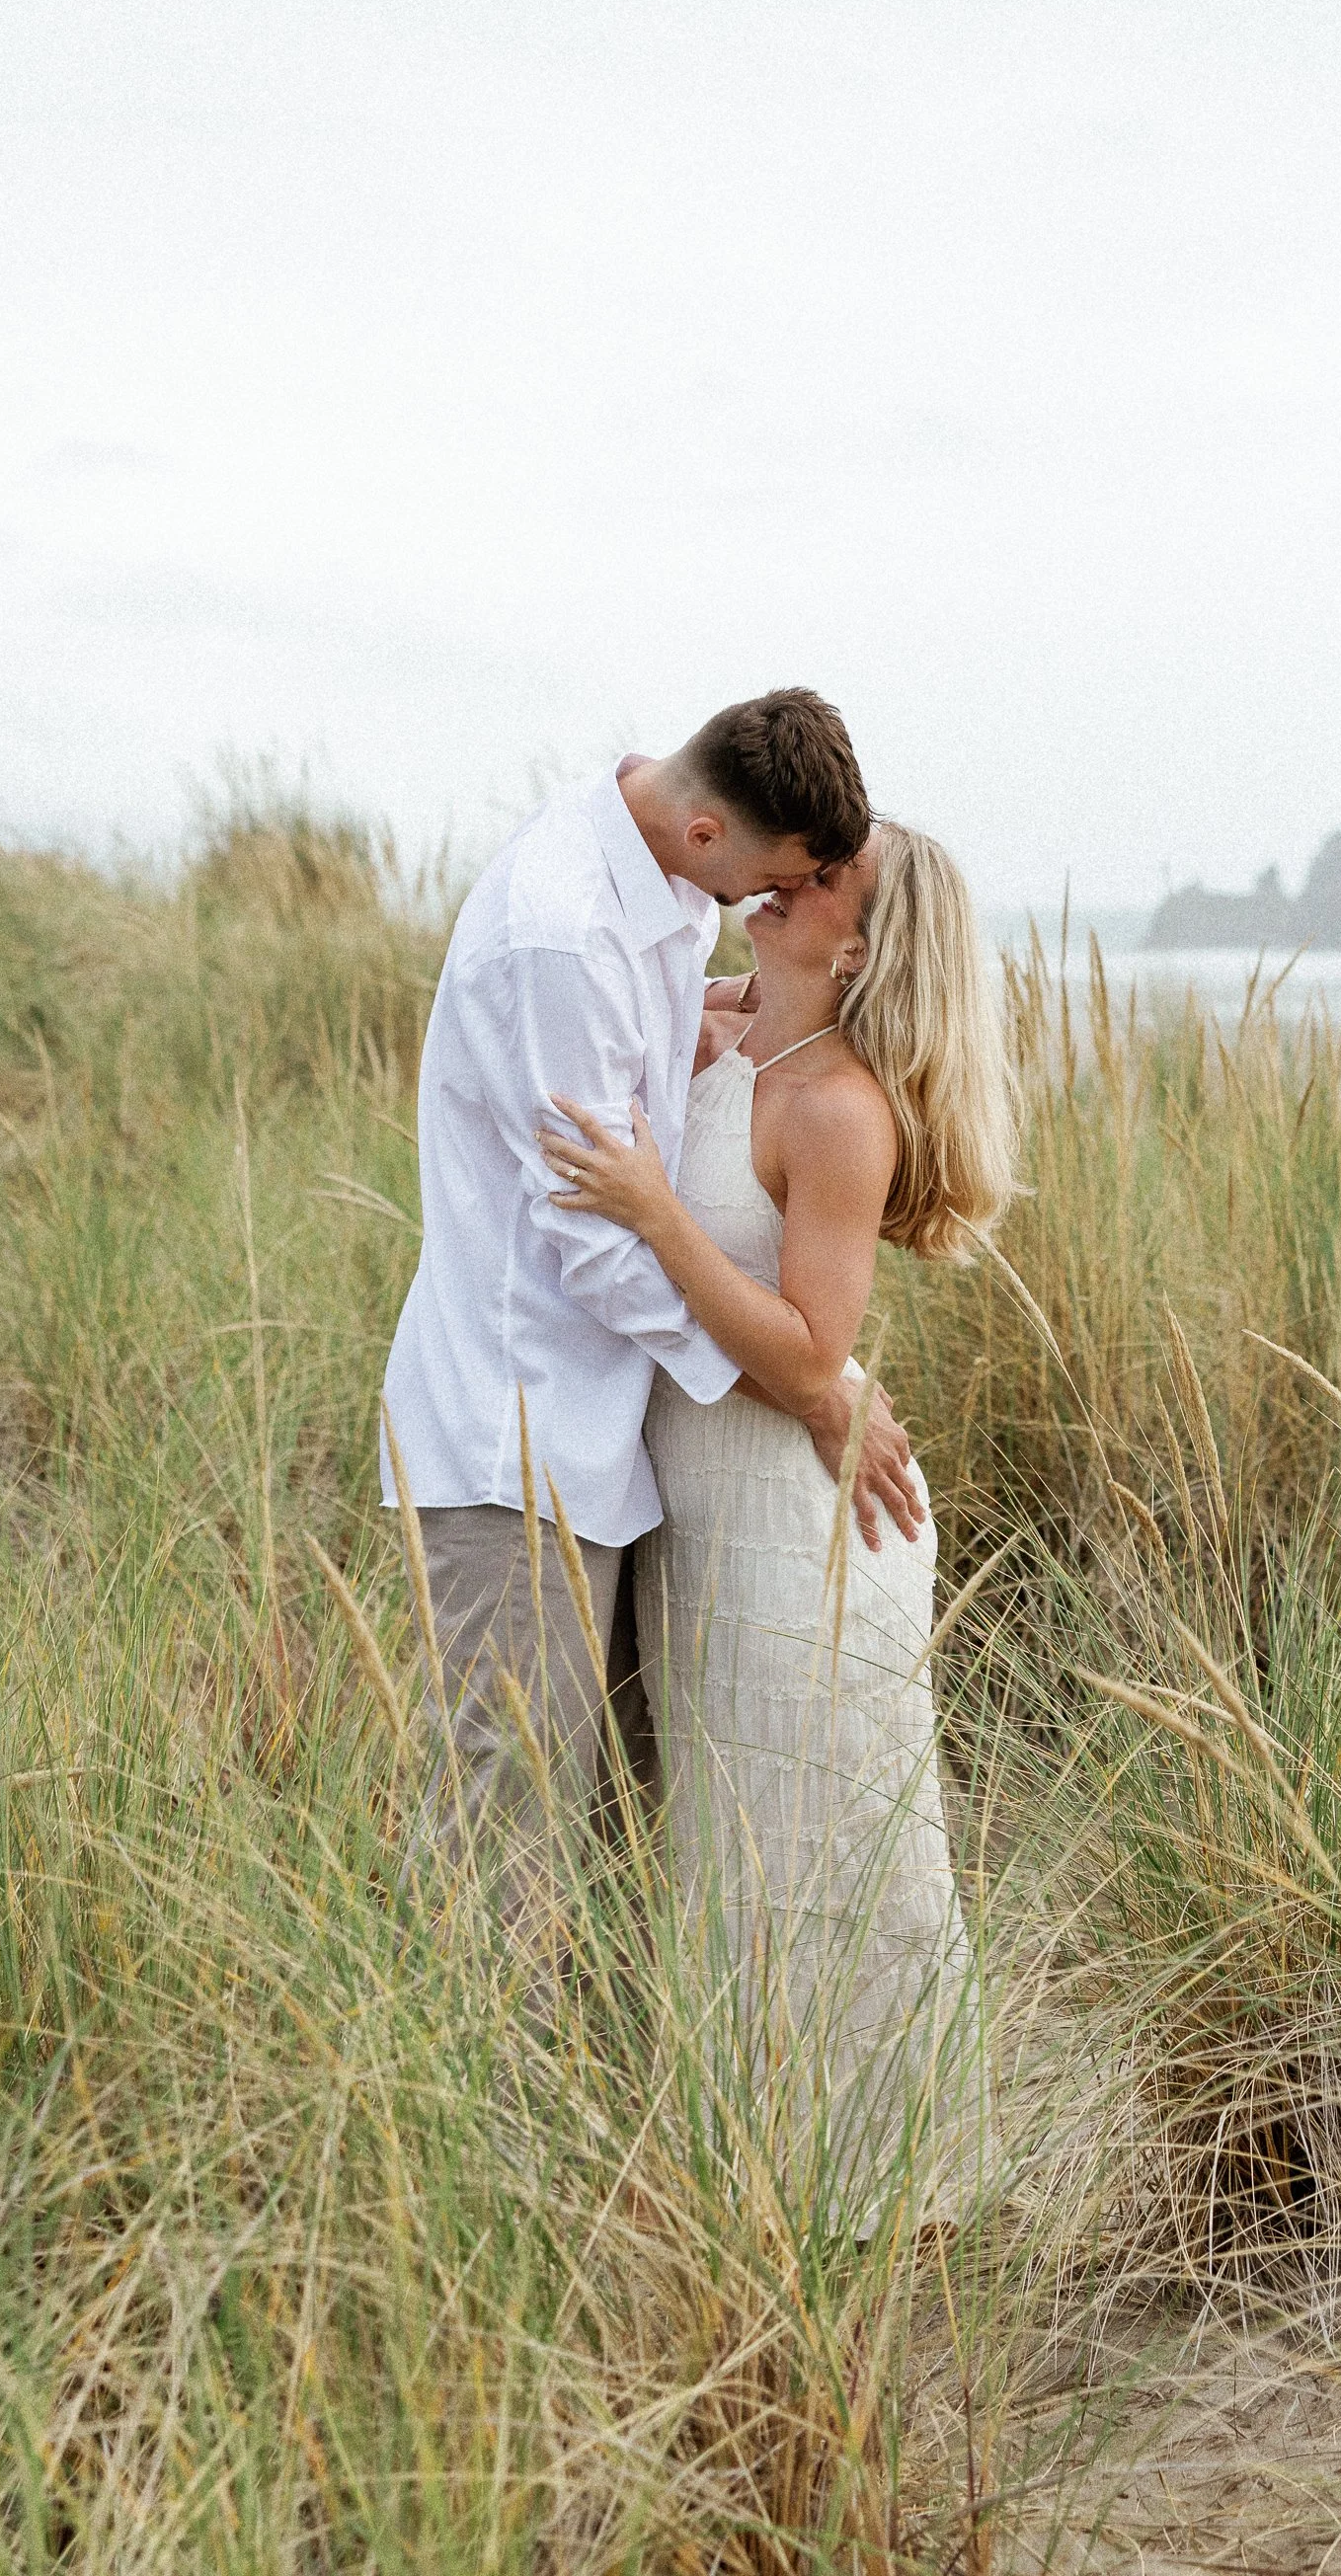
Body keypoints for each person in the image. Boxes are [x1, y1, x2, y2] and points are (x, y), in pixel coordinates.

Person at [379, 689, 921, 1927]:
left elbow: (670, 1067)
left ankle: (615, 2115)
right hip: (518, 1440)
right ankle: (464, 2122)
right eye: (764, 884)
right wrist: (804, 1385)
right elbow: (595, 1246)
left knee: (626, 1839)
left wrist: (728, 1032)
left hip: (614, 1452)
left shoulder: (663, 871)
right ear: (703, 838)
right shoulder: (564, 934)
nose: (757, 911)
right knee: (502, 1839)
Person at [537, 818, 1017, 2215]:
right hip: (704, 1498)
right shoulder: (735, 1032)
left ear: (859, 942)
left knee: (823, 1846)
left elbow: (810, 1354)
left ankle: (881, 2194)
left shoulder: (838, 1110)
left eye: (822, 877)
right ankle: (748, 2175)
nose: (784, 874)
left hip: (798, 1522)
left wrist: (652, 1209)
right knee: (723, 1848)